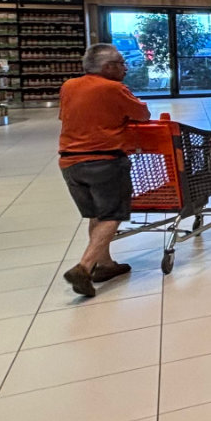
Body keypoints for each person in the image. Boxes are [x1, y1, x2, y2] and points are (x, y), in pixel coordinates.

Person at [58, 44, 150, 298]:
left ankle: (105, 265)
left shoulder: (69, 86)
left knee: (97, 214)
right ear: (108, 67)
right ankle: (85, 266)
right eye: (122, 63)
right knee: (112, 215)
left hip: (70, 163)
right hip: (104, 161)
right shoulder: (113, 88)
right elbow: (142, 114)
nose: (125, 68)